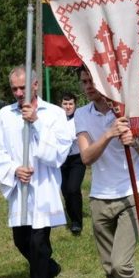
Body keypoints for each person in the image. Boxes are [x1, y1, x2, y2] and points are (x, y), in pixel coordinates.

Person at [74, 67, 139, 278]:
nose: (87, 86)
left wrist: (134, 143)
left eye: (91, 81)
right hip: (100, 196)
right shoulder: (82, 115)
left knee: (121, 264)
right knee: (108, 267)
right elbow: (86, 157)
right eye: (83, 82)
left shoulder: (130, 110)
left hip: (132, 194)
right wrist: (108, 134)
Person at [0, 67, 72, 278]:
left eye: (22, 88)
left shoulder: (54, 114)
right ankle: (49, 267)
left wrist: (36, 123)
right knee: (21, 240)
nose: (18, 93)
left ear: (35, 86)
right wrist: (14, 169)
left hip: (43, 185)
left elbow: (58, 153)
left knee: (38, 242)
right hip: (20, 186)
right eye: (14, 88)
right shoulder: (4, 115)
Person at [60, 92, 87, 235]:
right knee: (65, 191)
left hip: (77, 158)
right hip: (62, 159)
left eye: (70, 104)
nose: (68, 107)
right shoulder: (57, 119)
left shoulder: (79, 118)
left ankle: (77, 222)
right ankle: (71, 217)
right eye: (65, 104)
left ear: (75, 105)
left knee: (73, 189)